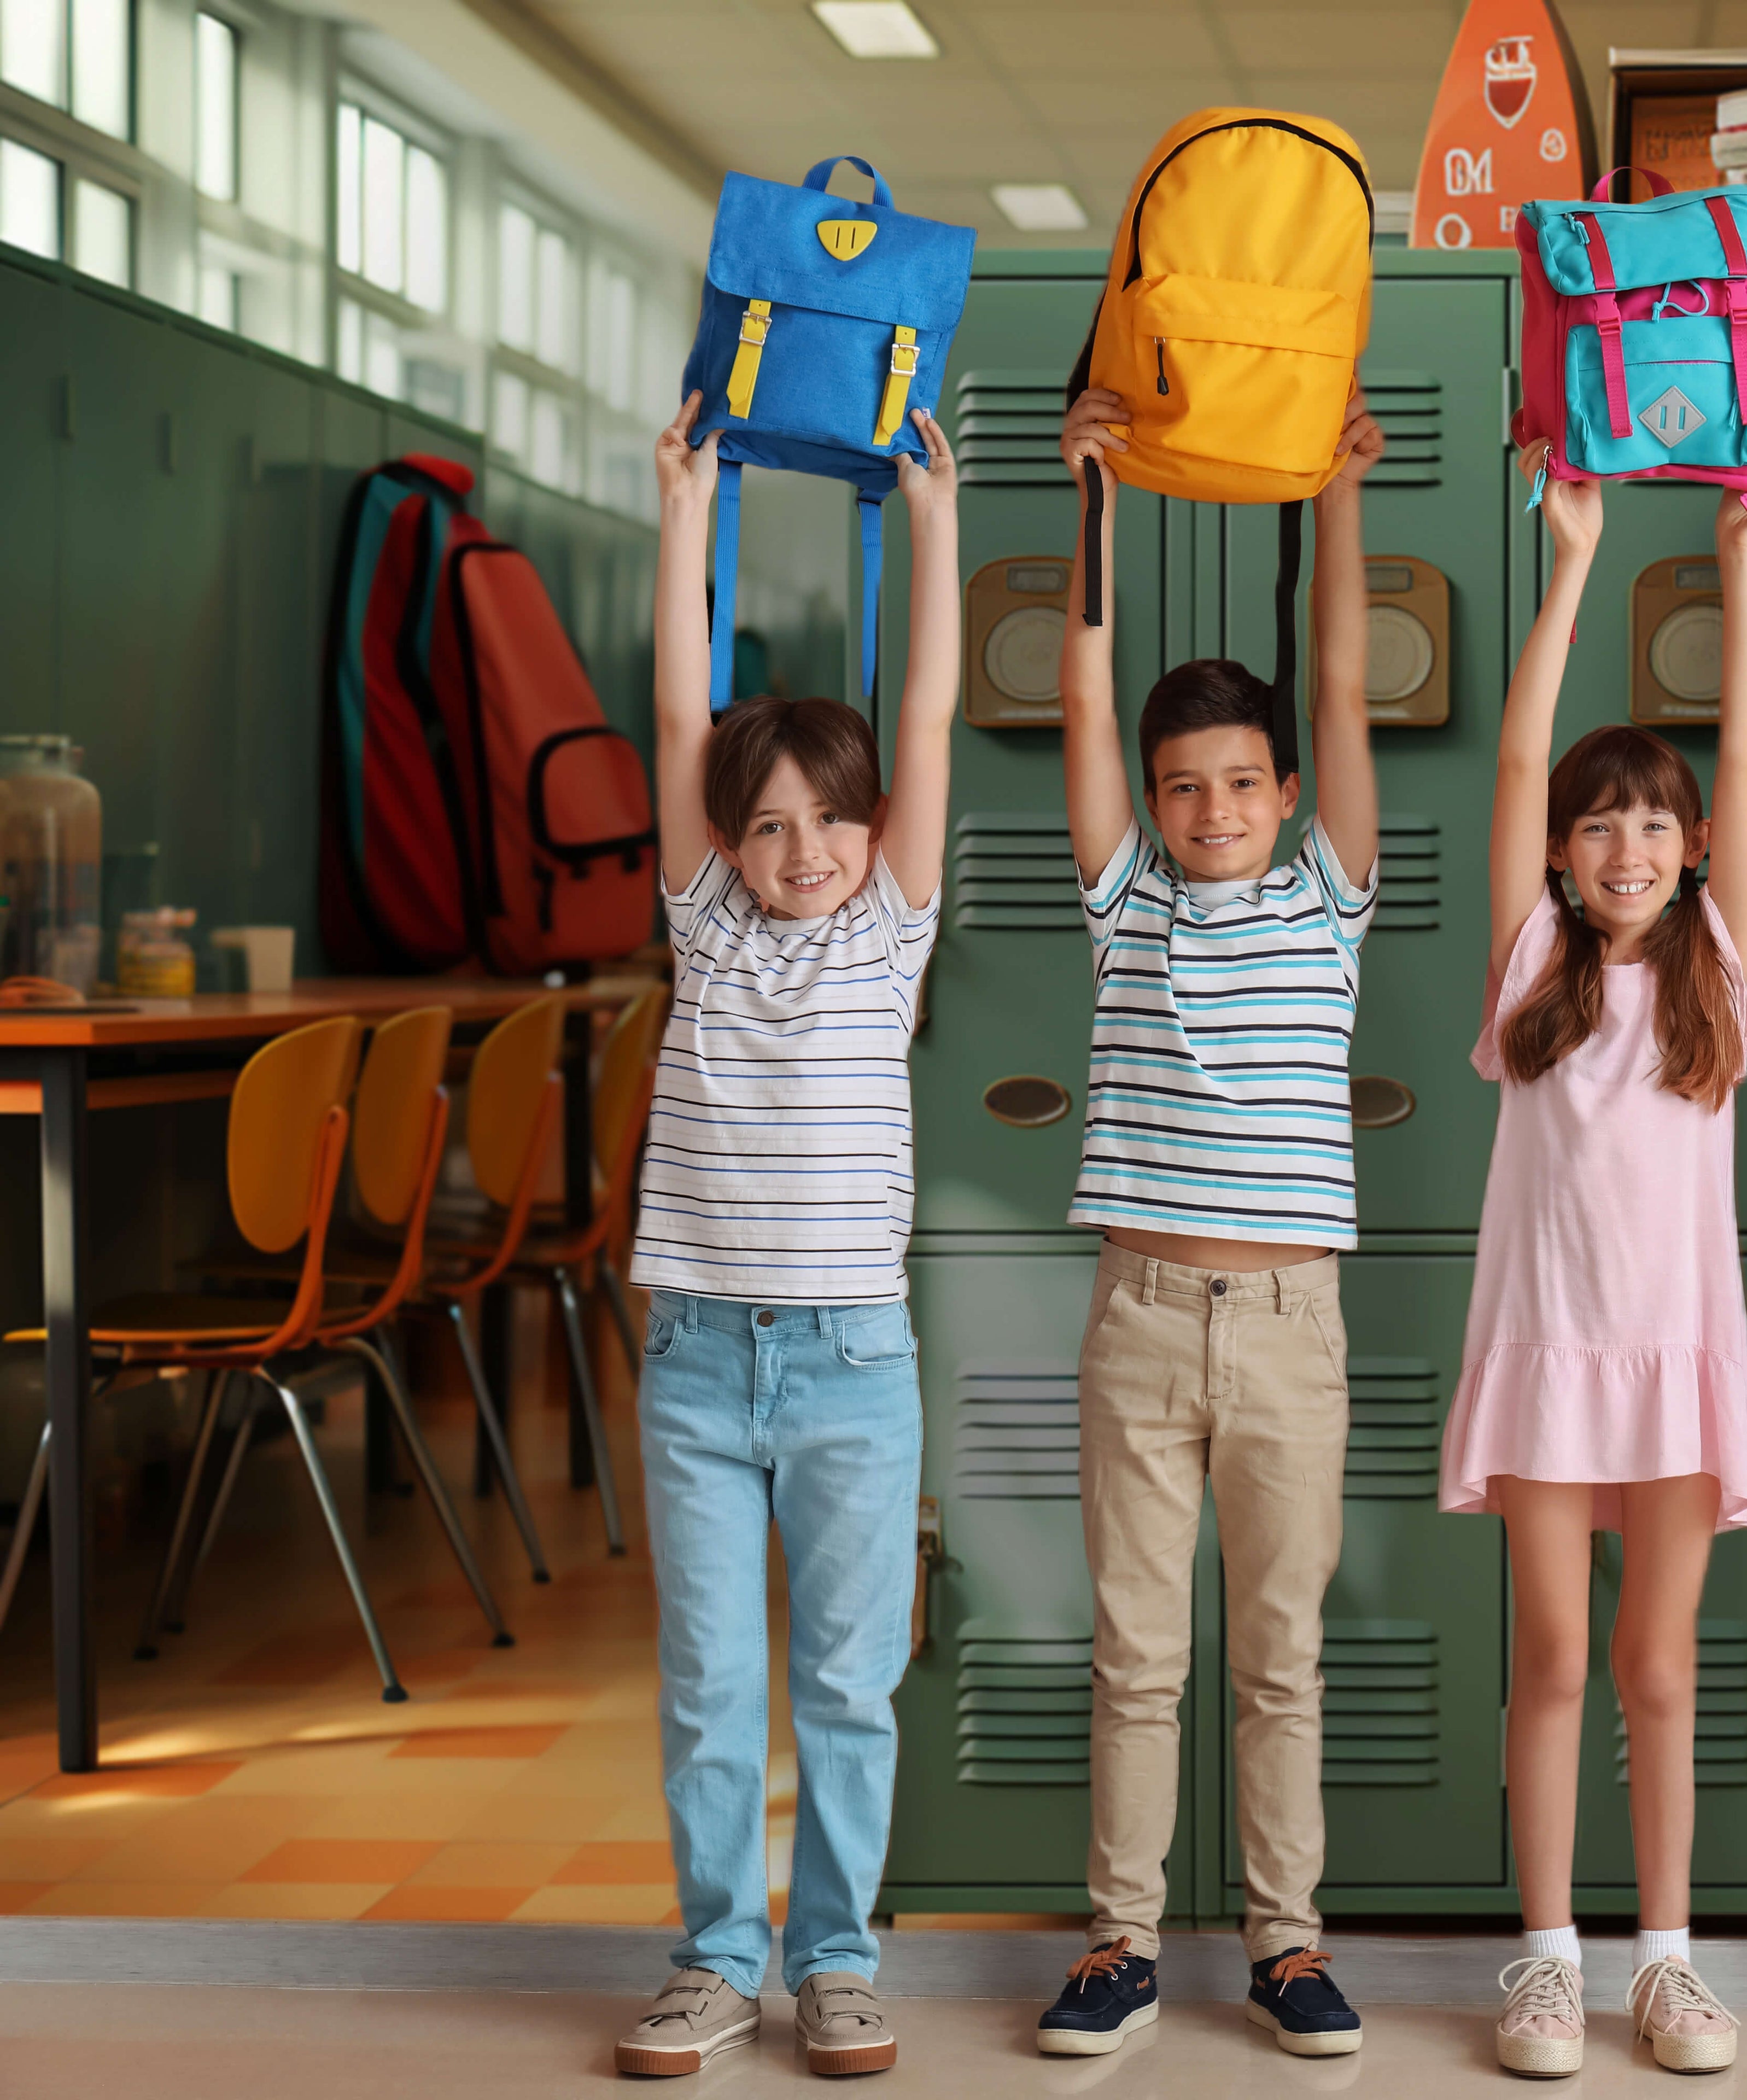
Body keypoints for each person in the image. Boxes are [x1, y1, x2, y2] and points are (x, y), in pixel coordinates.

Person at [1031, 387, 1384, 2060]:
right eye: (1188, 790)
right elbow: (1080, 694)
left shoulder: (1330, 894)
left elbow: (1336, 675)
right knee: (1135, 1656)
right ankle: (1118, 1946)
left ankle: (1286, 1948)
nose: (1217, 811)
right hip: (1145, 1314)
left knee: (1281, 1660)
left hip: (1294, 1328)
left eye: (1244, 785)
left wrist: (1334, 505)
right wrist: (1093, 495)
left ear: (1288, 792)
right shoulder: (1127, 910)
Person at [615, 394, 960, 2078]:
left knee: (846, 1689)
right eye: (765, 825)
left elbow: (940, 706)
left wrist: (936, 529)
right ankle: (711, 1961)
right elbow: (684, 703)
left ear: (874, 830)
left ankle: (834, 1962)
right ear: (726, 842)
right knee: (706, 1695)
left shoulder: (889, 935)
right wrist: (685, 510)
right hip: (693, 1355)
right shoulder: (706, 929)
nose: (800, 850)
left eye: (830, 820)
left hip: (849, 1366)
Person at [1451, 455, 1747, 2079]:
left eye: (1656, 823)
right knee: (1554, 1658)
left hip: (1676, 1357)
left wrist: (1738, 569)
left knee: (1659, 1666)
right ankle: (1545, 1962)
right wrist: (1575, 558)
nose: (1630, 844)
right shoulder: (1535, 969)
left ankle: (1663, 1960)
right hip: (1547, 1356)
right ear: (1567, 859)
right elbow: (1520, 748)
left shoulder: (1722, 971)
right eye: (1603, 826)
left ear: (1696, 845)